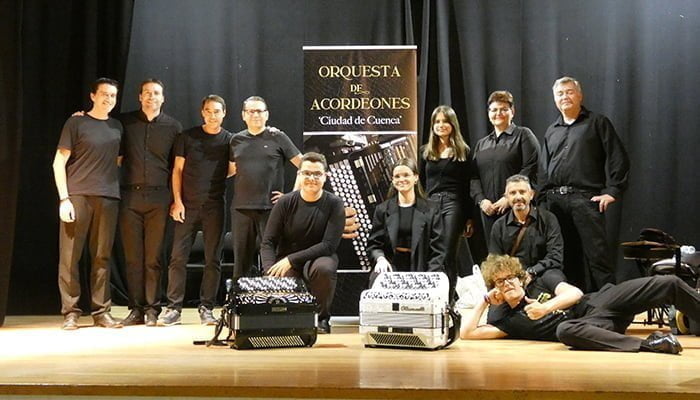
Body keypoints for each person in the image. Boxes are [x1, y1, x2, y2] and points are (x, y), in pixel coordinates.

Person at [460, 254, 699, 354]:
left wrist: (545, 308)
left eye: (510, 277)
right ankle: (651, 345)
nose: (507, 284)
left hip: (600, 301)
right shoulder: (508, 321)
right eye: (500, 282)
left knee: (668, 283)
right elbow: (467, 333)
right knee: (565, 330)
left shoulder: (544, 280)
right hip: (592, 326)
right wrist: (484, 300)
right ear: (496, 288)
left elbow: (574, 293)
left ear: (520, 277)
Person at [539, 77, 630, 292]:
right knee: (565, 258)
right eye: (560, 94)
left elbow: (618, 157)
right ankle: (576, 306)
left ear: (580, 95)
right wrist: (541, 200)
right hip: (555, 202)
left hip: (585, 199)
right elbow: (543, 169)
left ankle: (611, 305)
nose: (565, 97)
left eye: (569, 92)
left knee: (598, 258)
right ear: (555, 99)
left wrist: (612, 190)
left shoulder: (597, 123)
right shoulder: (552, 130)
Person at [52, 78, 123, 330]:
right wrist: (64, 199)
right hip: (78, 196)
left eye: (113, 95)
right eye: (104, 94)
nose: (108, 99)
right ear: (93, 96)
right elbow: (58, 162)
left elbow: (117, 161)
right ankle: (70, 312)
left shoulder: (117, 127)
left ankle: (101, 311)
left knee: (102, 256)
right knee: (70, 256)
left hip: (108, 197)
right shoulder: (76, 122)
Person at [158, 95, 234, 326]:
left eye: (217, 111)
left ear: (224, 113)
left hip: (214, 206)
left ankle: (207, 308)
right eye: (208, 111)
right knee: (177, 258)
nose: (212, 115)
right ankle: (173, 309)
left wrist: (214, 177)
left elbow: (233, 169)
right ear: (202, 112)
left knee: (213, 259)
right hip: (187, 205)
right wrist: (177, 201)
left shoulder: (229, 140)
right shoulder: (187, 137)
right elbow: (177, 171)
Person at [118, 79, 182, 327]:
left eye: (156, 93)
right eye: (147, 93)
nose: (151, 97)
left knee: (153, 257)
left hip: (159, 198)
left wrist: (176, 200)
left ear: (162, 98)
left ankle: (153, 308)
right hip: (130, 196)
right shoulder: (125, 122)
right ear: (140, 97)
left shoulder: (173, 127)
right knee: (133, 258)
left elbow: (177, 169)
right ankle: (136, 309)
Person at [260, 152, 345, 334]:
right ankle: (293, 319)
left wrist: (291, 259)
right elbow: (268, 242)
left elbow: (328, 245)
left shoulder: (335, 203)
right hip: (288, 259)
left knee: (324, 269)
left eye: (317, 174)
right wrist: (269, 271)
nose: (312, 178)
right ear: (299, 175)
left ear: (325, 176)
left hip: (320, 256)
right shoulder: (284, 202)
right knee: (280, 276)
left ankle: (321, 319)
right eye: (307, 173)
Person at [229, 96, 302, 279]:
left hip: (271, 209)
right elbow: (229, 170)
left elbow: (303, 165)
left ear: (267, 114)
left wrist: (292, 196)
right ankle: (240, 296)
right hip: (241, 209)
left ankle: (273, 295)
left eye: (259, 111)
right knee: (241, 263)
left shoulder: (278, 137)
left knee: (272, 260)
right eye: (251, 111)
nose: (255, 115)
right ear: (243, 115)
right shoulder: (236, 140)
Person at [470, 91, 539, 245]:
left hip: (516, 207)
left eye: (503, 109)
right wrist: (482, 201)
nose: (498, 113)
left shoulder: (523, 135)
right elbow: (474, 177)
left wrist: (508, 198)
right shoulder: (482, 144)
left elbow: (530, 169)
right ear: (488, 113)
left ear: (512, 111)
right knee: (494, 255)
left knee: (518, 253)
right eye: (494, 110)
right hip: (488, 211)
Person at [367, 158, 446, 285]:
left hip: (422, 267)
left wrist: (430, 276)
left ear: (416, 178)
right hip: (392, 266)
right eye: (397, 176)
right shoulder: (382, 210)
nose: (401, 179)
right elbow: (374, 245)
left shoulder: (432, 210)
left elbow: (438, 249)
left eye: (406, 175)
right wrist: (380, 259)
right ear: (392, 180)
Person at [419, 105, 473, 292]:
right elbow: (421, 183)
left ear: (453, 124)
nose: (441, 125)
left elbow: (467, 186)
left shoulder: (463, 151)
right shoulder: (425, 151)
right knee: (431, 251)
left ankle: (448, 298)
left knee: (448, 252)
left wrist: (469, 217)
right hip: (430, 204)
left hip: (453, 203)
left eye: (445, 121)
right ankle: (432, 294)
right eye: (437, 122)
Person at [489, 175, 563, 279]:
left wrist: (532, 272)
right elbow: (495, 262)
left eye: (522, 192)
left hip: (543, 274)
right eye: (512, 193)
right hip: (513, 279)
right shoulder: (499, 226)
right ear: (506, 197)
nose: (518, 197)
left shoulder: (548, 219)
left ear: (531, 194)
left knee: (559, 281)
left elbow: (555, 256)